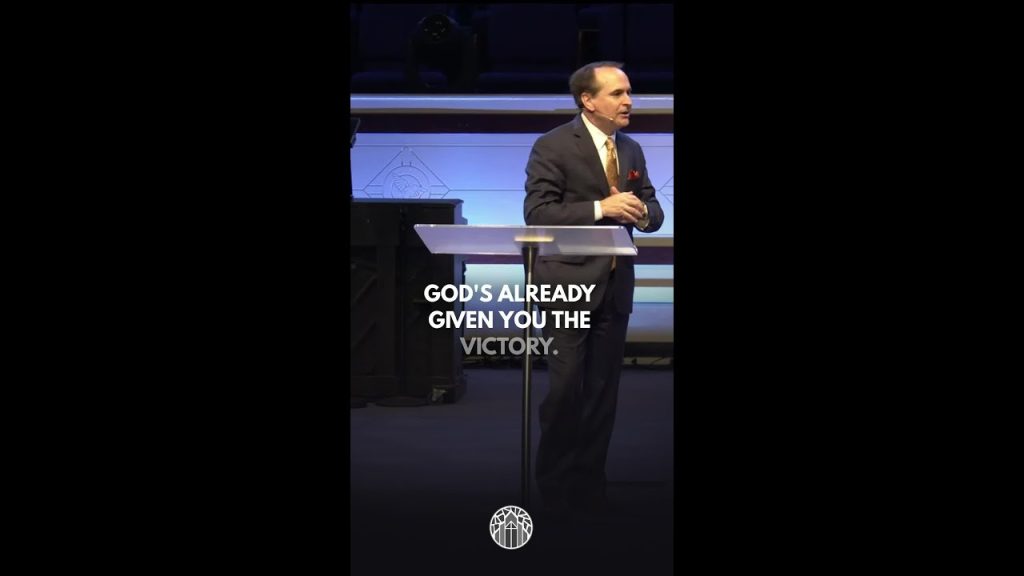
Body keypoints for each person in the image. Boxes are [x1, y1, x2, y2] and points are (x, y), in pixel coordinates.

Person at [523, 61, 665, 517]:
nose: (629, 102)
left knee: (602, 393)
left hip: (615, 286)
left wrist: (644, 214)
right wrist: (602, 208)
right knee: (566, 389)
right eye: (618, 93)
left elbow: (652, 207)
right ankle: (554, 485)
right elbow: (539, 213)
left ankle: (588, 487)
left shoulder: (632, 149)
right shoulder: (553, 145)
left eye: (629, 92)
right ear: (588, 100)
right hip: (566, 284)